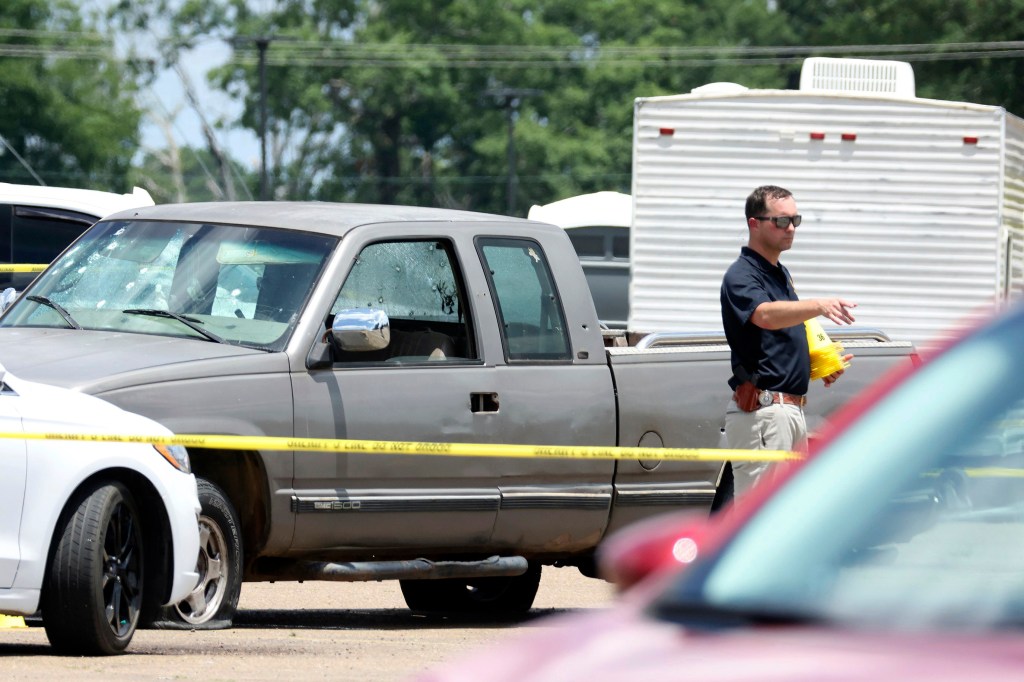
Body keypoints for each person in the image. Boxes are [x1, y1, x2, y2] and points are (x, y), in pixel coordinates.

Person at [720, 185, 856, 496]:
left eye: (796, 220)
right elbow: (765, 316)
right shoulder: (741, 275)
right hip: (765, 412)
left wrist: (815, 366)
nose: (791, 228)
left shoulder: (779, 274)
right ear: (754, 223)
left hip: (787, 410)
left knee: (785, 517)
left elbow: (774, 341)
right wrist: (818, 305)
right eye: (781, 221)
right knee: (761, 518)